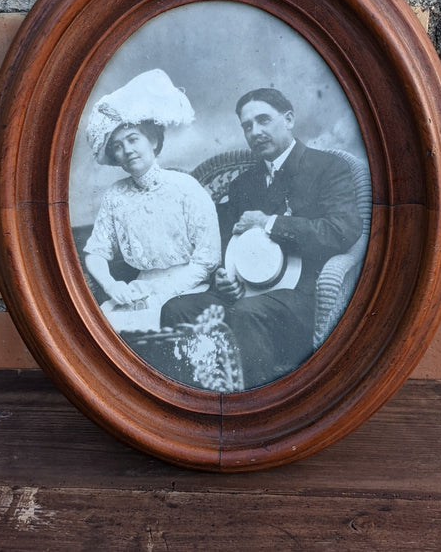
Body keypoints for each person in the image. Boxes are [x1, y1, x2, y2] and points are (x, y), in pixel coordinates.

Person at [161, 87, 362, 389]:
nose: (255, 131)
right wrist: (223, 277)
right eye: (247, 126)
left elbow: (342, 231)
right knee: (176, 308)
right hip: (247, 292)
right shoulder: (244, 183)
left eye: (264, 120)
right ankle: (188, 404)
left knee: (244, 315)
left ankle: (255, 413)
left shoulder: (328, 168)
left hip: (303, 297)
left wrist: (271, 223)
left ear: (289, 119)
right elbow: (226, 243)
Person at [83, 69, 221, 333]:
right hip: (139, 289)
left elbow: (207, 260)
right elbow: (95, 253)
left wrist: (160, 291)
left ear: (153, 140)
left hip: (189, 290)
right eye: (118, 146)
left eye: (133, 139)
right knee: (99, 329)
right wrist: (112, 286)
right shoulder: (115, 196)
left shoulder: (185, 187)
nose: (127, 150)